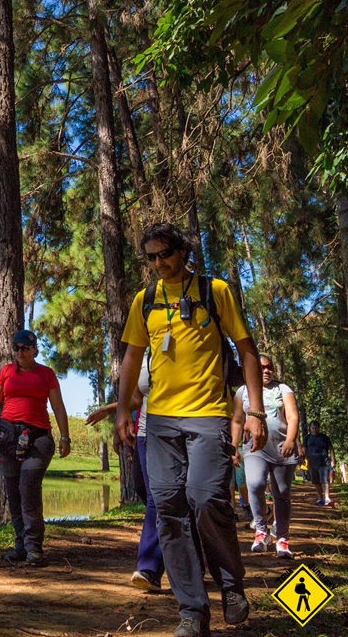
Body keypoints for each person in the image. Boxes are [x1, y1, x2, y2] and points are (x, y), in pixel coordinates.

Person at [115, 223, 267, 637]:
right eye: (150, 257)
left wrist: (256, 411)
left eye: (164, 254)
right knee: (168, 508)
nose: (158, 263)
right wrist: (124, 411)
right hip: (161, 420)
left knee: (204, 498)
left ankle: (231, 586)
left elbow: (246, 350)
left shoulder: (215, 292)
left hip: (209, 415)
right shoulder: (144, 301)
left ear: (182, 252)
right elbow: (131, 358)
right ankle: (191, 612)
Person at [0, 329, 71, 566]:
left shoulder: (46, 374)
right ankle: (21, 545)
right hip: (7, 437)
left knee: (28, 488)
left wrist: (65, 436)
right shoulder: (6, 371)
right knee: (14, 493)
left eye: (24, 348)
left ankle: (34, 548)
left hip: (38, 438)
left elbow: (58, 407)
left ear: (35, 349)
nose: (20, 352)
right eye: (15, 348)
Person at [86, 356, 165, 592]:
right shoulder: (143, 358)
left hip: (178, 433)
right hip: (145, 433)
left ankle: (150, 568)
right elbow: (135, 399)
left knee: (159, 500)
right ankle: (179, 556)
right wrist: (115, 414)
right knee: (145, 492)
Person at [233, 356, 299, 558]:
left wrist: (290, 440)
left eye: (269, 367)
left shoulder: (283, 389)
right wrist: (234, 446)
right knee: (254, 484)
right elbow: (236, 420)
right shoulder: (242, 391)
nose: (266, 371)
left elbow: (293, 416)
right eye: (261, 368)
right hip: (254, 449)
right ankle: (261, 531)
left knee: (282, 493)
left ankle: (282, 539)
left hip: (281, 448)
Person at [305, 421, 336, 506]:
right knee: (316, 481)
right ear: (310, 428)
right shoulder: (307, 437)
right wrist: (303, 459)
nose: (314, 430)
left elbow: (331, 449)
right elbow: (304, 449)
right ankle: (320, 498)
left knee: (324, 480)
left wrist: (333, 460)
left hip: (324, 461)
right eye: (313, 428)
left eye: (316, 428)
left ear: (319, 428)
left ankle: (327, 498)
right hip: (312, 462)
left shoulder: (324, 437)